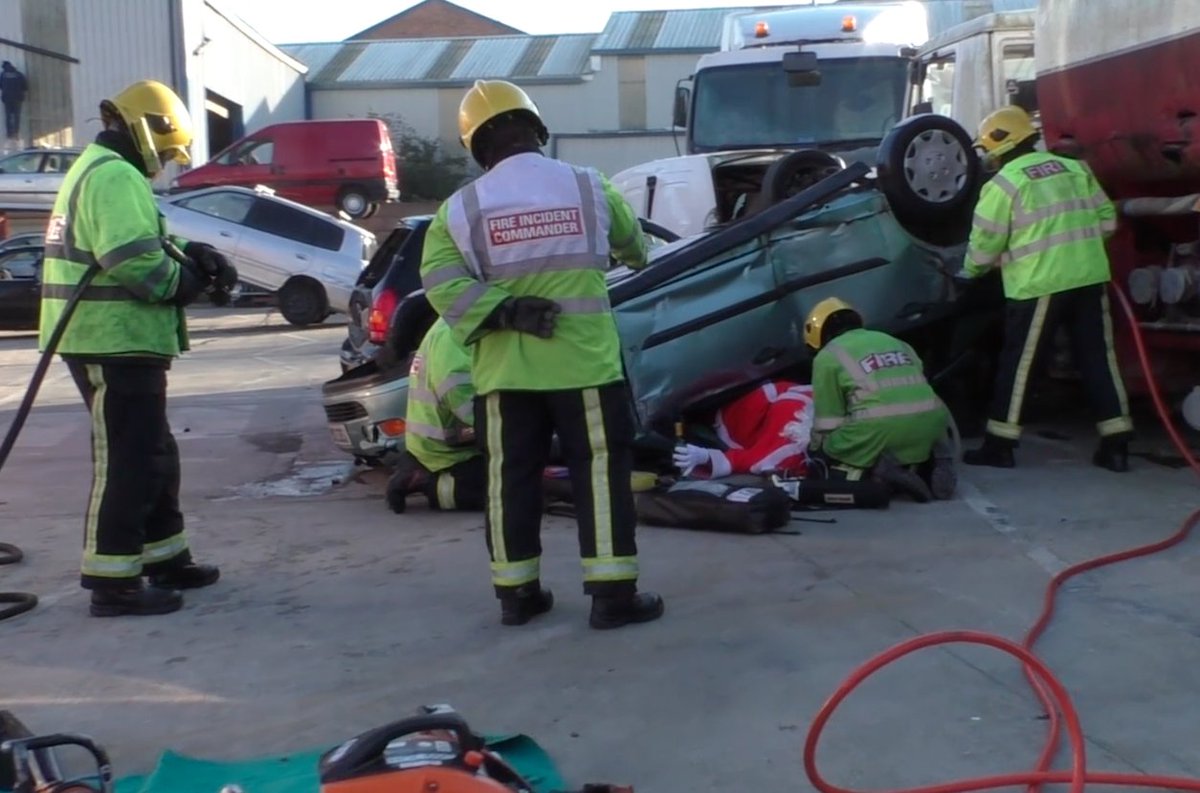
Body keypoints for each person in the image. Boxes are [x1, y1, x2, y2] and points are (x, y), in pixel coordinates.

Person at [420, 79, 664, 630]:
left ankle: (517, 595)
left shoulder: (458, 210)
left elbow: (438, 282)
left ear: (477, 146)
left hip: (505, 374)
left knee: (511, 479)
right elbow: (635, 249)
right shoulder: (588, 186)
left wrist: (504, 311)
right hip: (586, 368)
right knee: (599, 473)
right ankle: (612, 596)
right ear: (536, 129)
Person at [38, 80, 237, 617]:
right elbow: (134, 260)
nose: (166, 164)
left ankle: (165, 557)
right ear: (149, 131)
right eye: (169, 152)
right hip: (113, 339)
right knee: (127, 460)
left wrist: (191, 251)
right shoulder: (114, 175)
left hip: (117, 340)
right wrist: (187, 283)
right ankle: (113, 581)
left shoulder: (103, 171)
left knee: (153, 455)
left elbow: (143, 241)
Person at [959, 105, 1133, 471]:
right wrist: (1077, 251)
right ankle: (1116, 444)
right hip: (1088, 278)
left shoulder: (1004, 184)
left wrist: (971, 272)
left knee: (1020, 365)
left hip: (1038, 285)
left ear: (997, 147)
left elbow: (985, 245)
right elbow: (1107, 220)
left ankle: (1000, 444)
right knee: (1099, 359)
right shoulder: (1075, 168)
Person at [803, 297, 956, 501]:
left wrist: (816, 452)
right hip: (932, 426)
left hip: (878, 431)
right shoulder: (898, 343)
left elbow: (828, 420)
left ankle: (882, 473)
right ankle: (928, 466)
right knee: (918, 423)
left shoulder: (827, 356)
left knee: (833, 450)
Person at [387, 307, 486, 515]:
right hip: (449, 451)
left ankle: (415, 466)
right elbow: (472, 409)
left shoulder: (452, 321)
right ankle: (432, 485)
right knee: (513, 485)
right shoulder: (456, 340)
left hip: (434, 440)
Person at [672, 381, 815, 479]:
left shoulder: (791, 447)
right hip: (734, 405)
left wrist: (706, 457)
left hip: (731, 405)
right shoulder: (791, 446)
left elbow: (746, 460)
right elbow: (752, 460)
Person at [1, 61, 27, 140]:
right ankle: (16, 133)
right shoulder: (19, 74)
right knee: (17, 116)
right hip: (18, 98)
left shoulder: (3, 75)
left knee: (8, 116)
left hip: (7, 98)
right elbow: (25, 87)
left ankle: (9, 134)